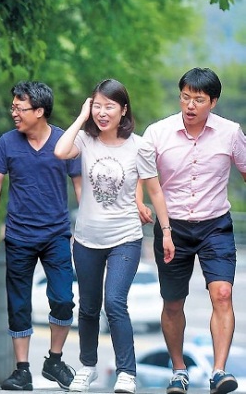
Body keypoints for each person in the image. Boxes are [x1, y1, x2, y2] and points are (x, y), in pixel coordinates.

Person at [54, 79, 174, 394]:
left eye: (110, 106)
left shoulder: (139, 146)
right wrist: (81, 117)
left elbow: (154, 190)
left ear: (123, 110)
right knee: (89, 306)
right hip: (86, 239)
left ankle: (126, 373)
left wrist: (166, 233)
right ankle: (88, 366)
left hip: (125, 236)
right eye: (97, 105)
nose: (102, 112)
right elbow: (60, 151)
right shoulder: (84, 139)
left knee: (115, 302)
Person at [136, 68, 246, 394]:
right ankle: (179, 370)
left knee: (222, 294)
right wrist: (139, 202)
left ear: (213, 101)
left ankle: (218, 371)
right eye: (186, 97)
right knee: (172, 302)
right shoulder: (158, 132)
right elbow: (141, 171)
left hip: (216, 226)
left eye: (199, 99)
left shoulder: (231, 133)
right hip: (173, 228)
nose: (190, 105)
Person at [0, 81, 82, 391]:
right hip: (18, 235)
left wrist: (87, 226)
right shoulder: (6, 142)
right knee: (18, 304)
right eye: (13, 107)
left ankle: (54, 360)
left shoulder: (63, 143)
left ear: (39, 111)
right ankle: (22, 370)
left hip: (56, 234)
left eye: (20, 108)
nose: (14, 112)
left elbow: (80, 186)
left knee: (63, 300)